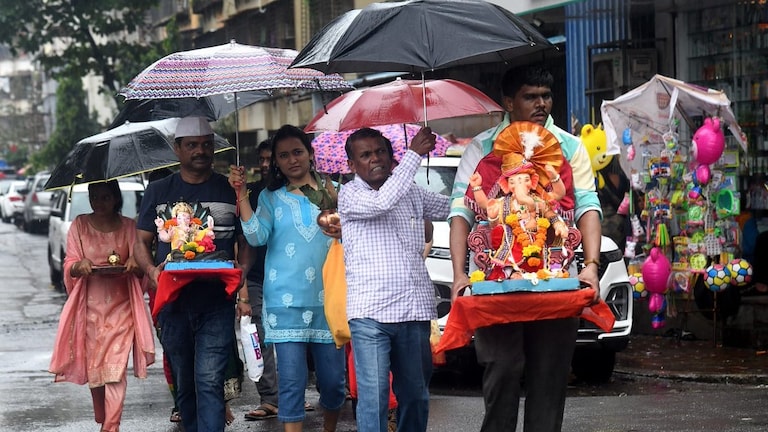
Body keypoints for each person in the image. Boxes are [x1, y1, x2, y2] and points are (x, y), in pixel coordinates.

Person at [448, 65, 603, 432]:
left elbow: (587, 207)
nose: (541, 104)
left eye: (546, 96)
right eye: (530, 97)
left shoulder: (570, 147)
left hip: (556, 282)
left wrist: (591, 265)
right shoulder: (482, 147)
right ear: (508, 102)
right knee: (502, 369)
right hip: (496, 282)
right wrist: (458, 275)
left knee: (550, 377)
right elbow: (461, 213)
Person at [134, 116, 252, 432]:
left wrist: (243, 273)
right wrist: (151, 271)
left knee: (210, 380)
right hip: (172, 304)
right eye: (192, 145)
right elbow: (140, 242)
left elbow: (247, 242)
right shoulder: (158, 190)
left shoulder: (230, 189)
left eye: (206, 144)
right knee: (185, 383)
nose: (200, 151)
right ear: (177, 149)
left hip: (216, 303)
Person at [229, 124, 346, 432]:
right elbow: (256, 237)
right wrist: (241, 195)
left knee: (334, 383)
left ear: (310, 153)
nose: (292, 160)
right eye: (283, 155)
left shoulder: (334, 191)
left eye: (297, 152)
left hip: (330, 302)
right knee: (292, 383)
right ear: (276, 162)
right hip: (284, 303)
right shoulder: (270, 198)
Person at [338, 127, 450, 432]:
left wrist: (485, 193)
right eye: (365, 155)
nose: (375, 159)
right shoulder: (349, 194)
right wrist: (414, 154)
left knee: (415, 396)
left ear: (390, 156)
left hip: (413, 311)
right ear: (352, 165)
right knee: (374, 399)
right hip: (370, 314)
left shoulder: (410, 191)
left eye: (381, 152)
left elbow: (452, 208)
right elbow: (382, 203)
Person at [49, 180, 155, 432]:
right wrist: (79, 265)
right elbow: (70, 263)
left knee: (115, 370)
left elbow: (141, 260)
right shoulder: (79, 225)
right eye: (94, 197)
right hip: (89, 310)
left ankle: (111, 426)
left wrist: (135, 263)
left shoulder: (129, 226)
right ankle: (104, 418)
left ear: (116, 198)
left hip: (122, 308)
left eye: (105, 197)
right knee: (95, 370)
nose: (99, 203)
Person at [241, 138, 280, 421]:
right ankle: (270, 398)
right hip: (255, 276)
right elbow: (243, 241)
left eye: (270, 159)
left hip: (288, 278)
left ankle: (292, 395)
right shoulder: (251, 193)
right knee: (259, 337)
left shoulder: (299, 191)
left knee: (292, 340)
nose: (265, 165)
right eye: (262, 160)